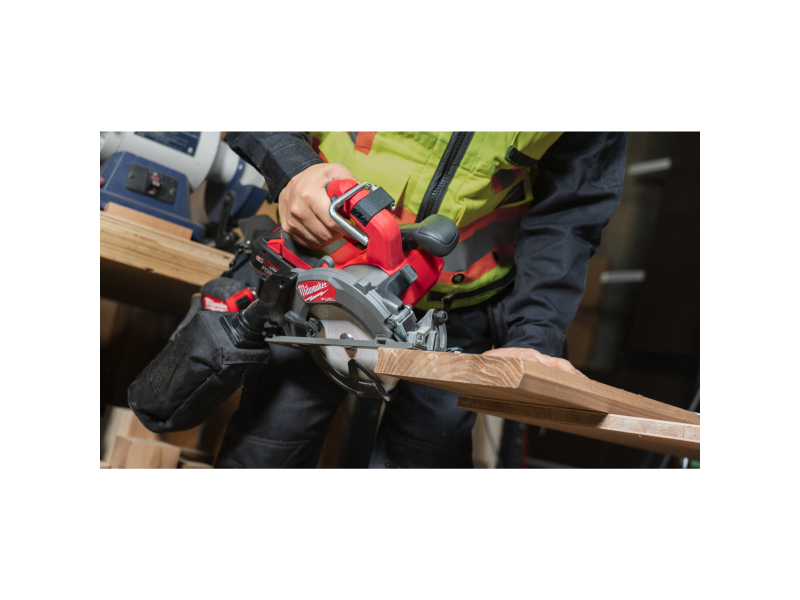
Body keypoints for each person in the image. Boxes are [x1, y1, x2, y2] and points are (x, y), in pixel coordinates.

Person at [212, 131, 626, 468]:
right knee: (267, 452)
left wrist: (534, 337)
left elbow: (570, 215)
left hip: (458, 310)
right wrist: (292, 166)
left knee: (424, 463)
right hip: (326, 280)